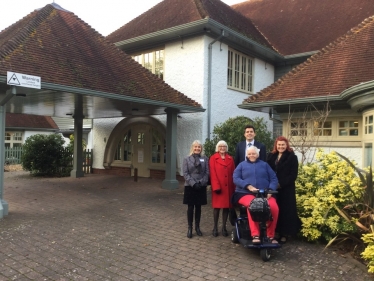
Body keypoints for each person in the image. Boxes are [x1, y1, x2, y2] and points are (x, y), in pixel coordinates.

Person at [232, 145, 279, 244]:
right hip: (245, 193)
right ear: (247, 155)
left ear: (257, 155)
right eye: (249, 154)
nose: (251, 155)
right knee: (254, 206)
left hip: (265, 193)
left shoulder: (265, 165)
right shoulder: (241, 165)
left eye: (253, 153)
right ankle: (255, 234)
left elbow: (274, 178)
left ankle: (270, 235)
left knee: (274, 208)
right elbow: (236, 178)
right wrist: (248, 186)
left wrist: (270, 190)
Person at [267, 136, 300, 243]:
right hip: (272, 188)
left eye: (283, 145)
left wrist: (280, 184)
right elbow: (266, 170)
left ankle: (284, 234)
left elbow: (293, 175)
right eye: (279, 145)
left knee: (285, 211)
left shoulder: (292, 157)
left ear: (287, 146)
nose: (281, 146)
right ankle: (274, 231)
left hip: (286, 189)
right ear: (276, 145)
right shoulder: (271, 156)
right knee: (274, 210)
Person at [183, 140, 210, 238]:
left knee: (198, 207)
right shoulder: (187, 159)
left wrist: (201, 183)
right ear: (192, 148)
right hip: (190, 186)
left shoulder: (205, 159)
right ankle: (189, 228)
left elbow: (207, 173)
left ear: (201, 148)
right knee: (190, 207)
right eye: (195, 147)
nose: (197, 148)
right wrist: (193, 183)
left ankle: (197, 227)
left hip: (201, 186)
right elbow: (185, 174)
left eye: (199, 147)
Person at [209, 140, 235, 237]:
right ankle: (215, 227)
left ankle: (224, 227)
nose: (222, 148)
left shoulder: (230, 158)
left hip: (228, 187)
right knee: (217, 208)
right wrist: (216, 186)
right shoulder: (213, 158)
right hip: (218, 187)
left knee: (226, 208)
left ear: (226, 148)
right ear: (217, 148)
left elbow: (233, 172)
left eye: (224, 146)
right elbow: (212, 173)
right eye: (220, 146)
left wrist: (234, 187)